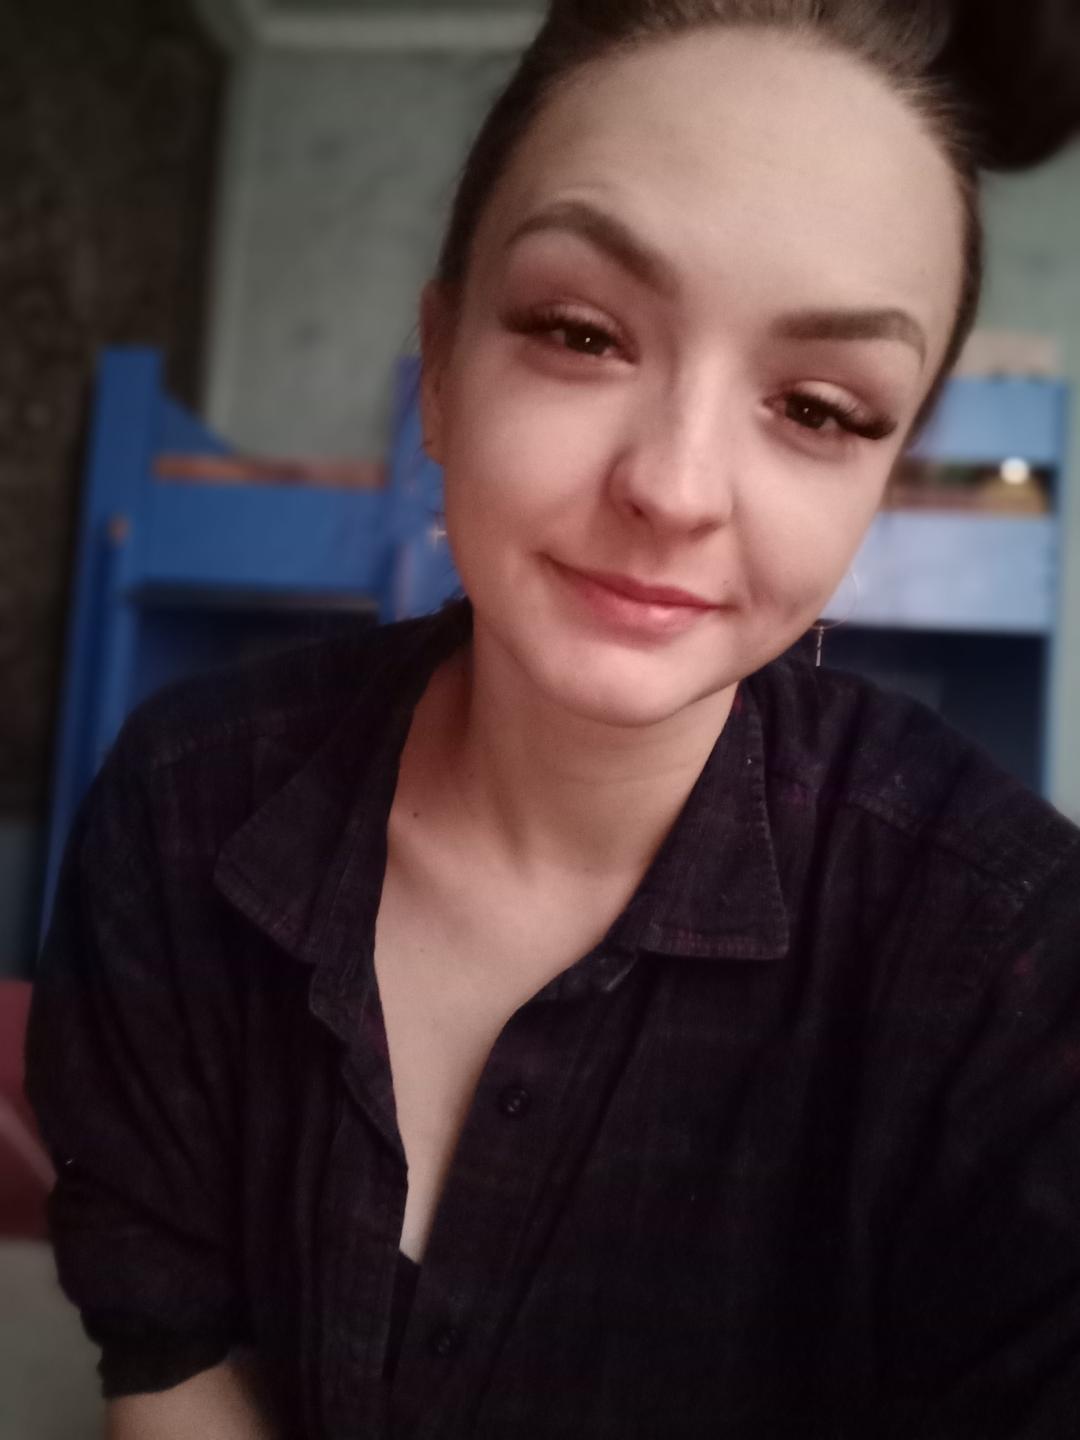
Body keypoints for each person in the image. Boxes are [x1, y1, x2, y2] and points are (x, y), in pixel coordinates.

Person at [25, 0, 1080, 1436]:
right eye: (581, 332)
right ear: (441, 368)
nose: (675, 489)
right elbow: (171, 1361)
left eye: (821, 410)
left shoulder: (1015, 967)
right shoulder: (180, 804)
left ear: (881, 484)